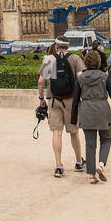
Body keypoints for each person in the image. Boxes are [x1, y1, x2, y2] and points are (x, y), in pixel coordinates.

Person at [71, 48, 111, 184]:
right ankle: (101, 164)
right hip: (102, 109)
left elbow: (75, 101)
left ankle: (91, 175)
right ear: (99, 62)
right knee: (106, 140)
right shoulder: (104, 77)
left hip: (86, 110)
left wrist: (73, 119)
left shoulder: (80, 79)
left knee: (90, 144)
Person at [38, 40, 85, 178]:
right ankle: (78, 163)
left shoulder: (49, 58)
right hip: (71, 99)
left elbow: (41, 81)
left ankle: (58, 166)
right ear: (68, 46)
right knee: (74, 132)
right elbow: (80, 78)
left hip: (54, 99)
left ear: (57, 46)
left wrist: (41, 99)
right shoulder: (75, 58)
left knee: (57, 132)